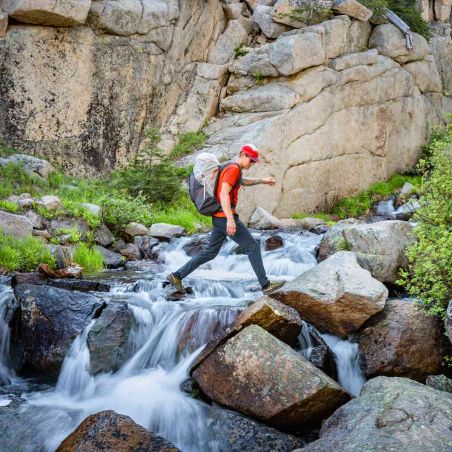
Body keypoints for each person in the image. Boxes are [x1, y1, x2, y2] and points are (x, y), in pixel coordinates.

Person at [167, 144, 285, 296]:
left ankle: (176, 276)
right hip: (224, 217)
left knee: (210, 253)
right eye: (251, 160)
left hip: (218, 218)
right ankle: (266, 285)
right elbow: (223, 194)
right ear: (243, 154)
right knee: (253, 247)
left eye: (254, 161)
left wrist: (263, 180)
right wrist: (230, 219)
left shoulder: (231, 167)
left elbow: (242, 181)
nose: (252, 163)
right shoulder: (233, 169)